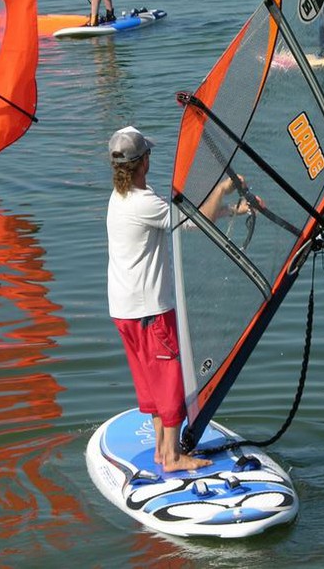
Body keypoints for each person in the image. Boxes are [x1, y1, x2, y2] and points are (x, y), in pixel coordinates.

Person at [106, 126, 247, 472]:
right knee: (170, 380)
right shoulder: (143, 203)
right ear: (144, 162)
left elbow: (185, 219)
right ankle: (171, 457)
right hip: (149, 311)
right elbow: (192, 221)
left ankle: (161, 449)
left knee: (151, 382)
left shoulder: (120, 198)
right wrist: (224, 188)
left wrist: (232, 209)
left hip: (123, 310)